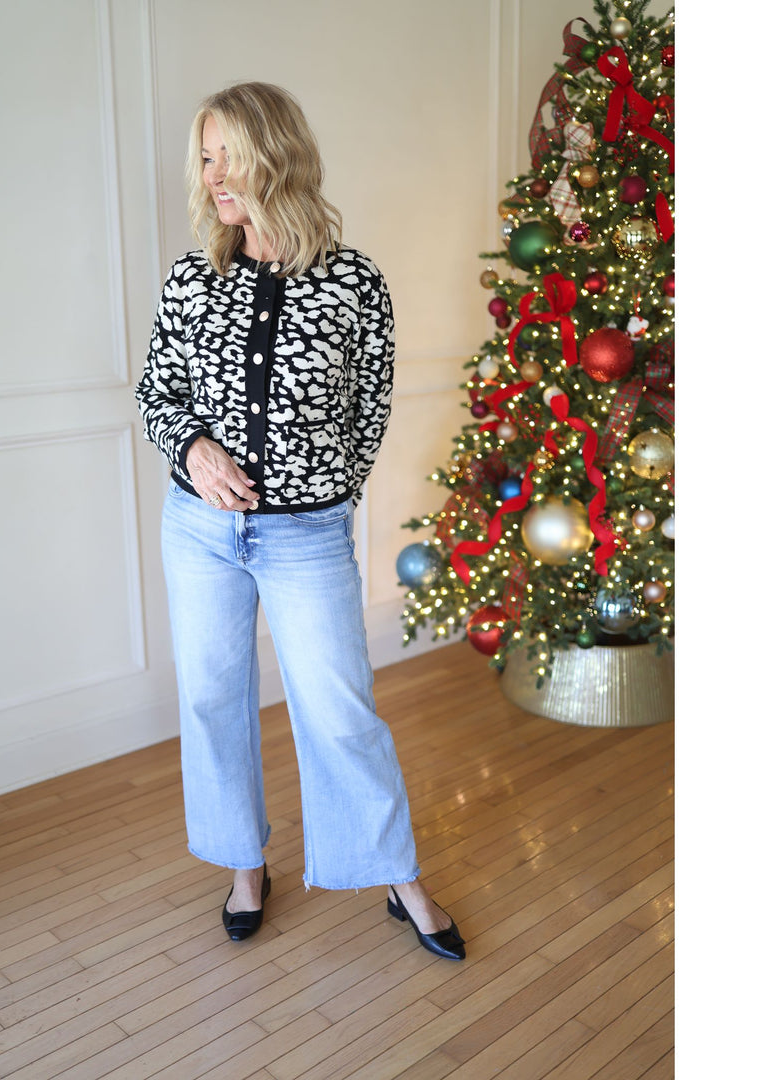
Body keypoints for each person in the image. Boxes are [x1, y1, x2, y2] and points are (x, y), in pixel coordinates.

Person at [135, 81, 464, 961]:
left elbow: (369, 411)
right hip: (199, 531)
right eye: (203, 159)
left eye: (224, 156)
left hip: (304, 534)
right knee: (211, 699)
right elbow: (156, 392)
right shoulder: (191, 280)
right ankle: (246, 867)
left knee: (339, 710)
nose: (210, 178)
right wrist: (195, 450)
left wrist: (326, 495)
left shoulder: (355, 281)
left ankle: (398, 877)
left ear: (273, 155)